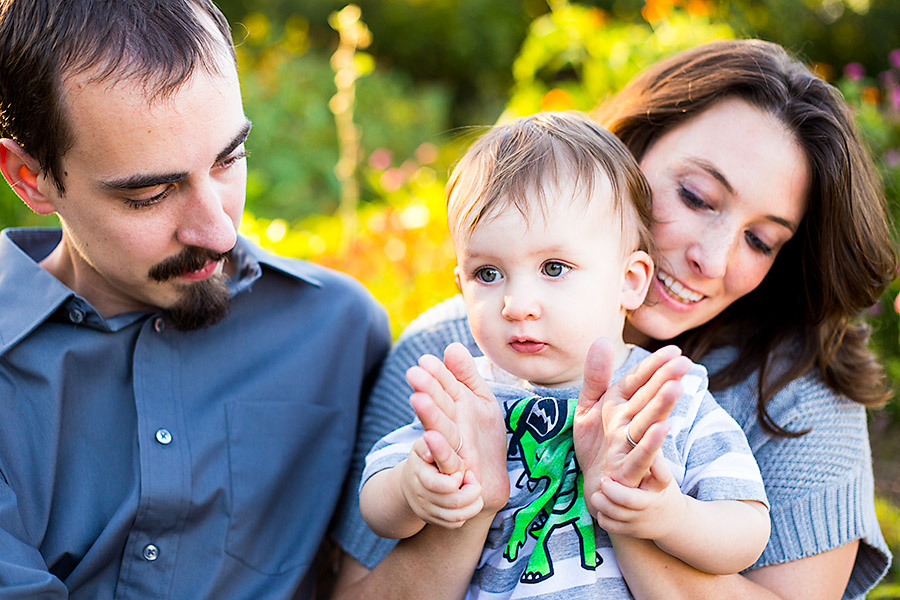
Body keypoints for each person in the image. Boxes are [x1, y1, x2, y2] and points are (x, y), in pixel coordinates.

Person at [330, 39, 897, 600]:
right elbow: (368, 551)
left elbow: (743, 532)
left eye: (760, 239)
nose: (713, 257)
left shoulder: (786, 393)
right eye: (696, 196)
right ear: (630, 151)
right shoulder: (456, 358)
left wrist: (634, 509)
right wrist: (466, 501)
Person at [0, 1, 390, 597]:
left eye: (228, 159)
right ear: (30, 177)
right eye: (151, 193)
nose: (219, 234)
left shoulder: (339, 330)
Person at [357, 111, 770, 598]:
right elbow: (376, 505)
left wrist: (670, 517)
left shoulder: (663, 394)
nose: (516, 305)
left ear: (630, 280)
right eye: (487, 274)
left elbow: (746, 530)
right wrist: (414, 488)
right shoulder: (470, 395)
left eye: (553, 267)